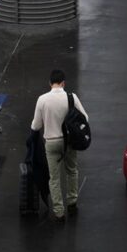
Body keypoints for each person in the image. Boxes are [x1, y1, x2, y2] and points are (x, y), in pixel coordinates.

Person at [30, 69, 88, 222]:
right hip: (69, 141)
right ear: (63, 83)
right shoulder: (71, 97)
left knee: (54, 178)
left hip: (51, 143)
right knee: (72, 171)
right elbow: (85, 117)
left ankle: (59, 212)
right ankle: (72, 203)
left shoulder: (42, 100)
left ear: (50, 83)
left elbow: (36, 126)